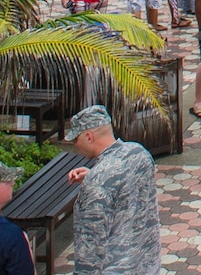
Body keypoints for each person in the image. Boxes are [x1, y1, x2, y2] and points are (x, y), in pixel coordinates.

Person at [64, 104, 161, 275]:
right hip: (147, 264)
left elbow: (91, 249)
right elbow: (125, 186)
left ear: (88, 136)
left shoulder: (97, 183)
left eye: (75, 139)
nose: (75, 146)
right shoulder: (139, 153)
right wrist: (95, 175)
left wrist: (95, 179)